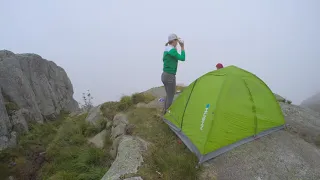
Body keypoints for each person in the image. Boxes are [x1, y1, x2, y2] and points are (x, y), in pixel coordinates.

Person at [161, 33, 185, 113]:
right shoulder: (172, 50)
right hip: (170, 76)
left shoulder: (167, 49)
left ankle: (164, 112)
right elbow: (182, 58)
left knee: (168, 95)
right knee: (171, 96)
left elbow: (173, 56)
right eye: (177, 41)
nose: (177, 42)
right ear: (173, 41)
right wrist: (182, 47)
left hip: (164, 75)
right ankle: (167, 114)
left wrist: (176, 47)